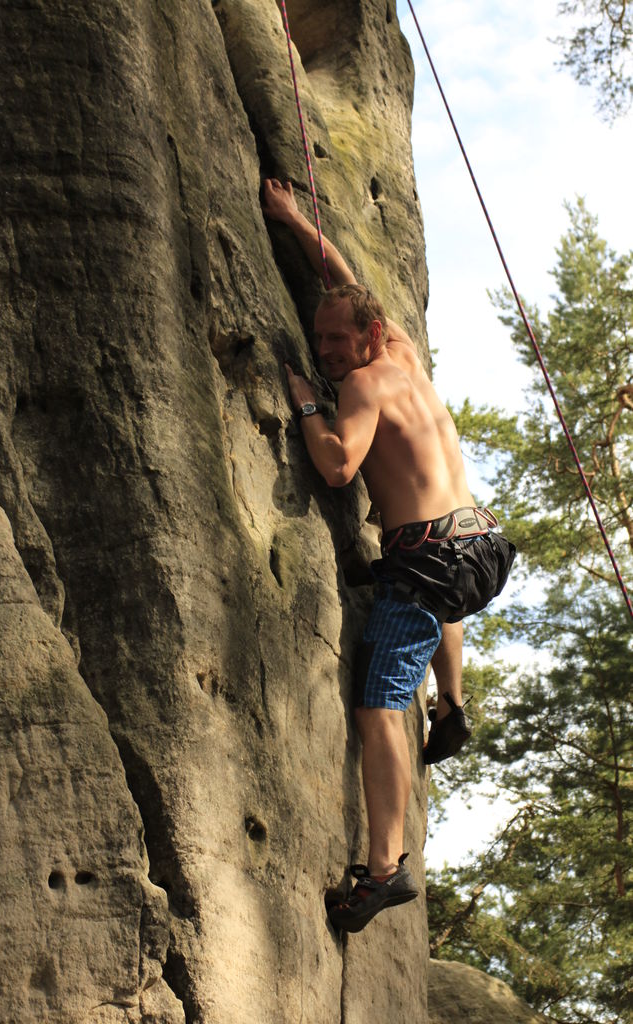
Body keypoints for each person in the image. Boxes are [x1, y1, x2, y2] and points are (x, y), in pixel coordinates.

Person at [261, 178, 515, 933]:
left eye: (338, 340)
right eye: (321, 340)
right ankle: (454, 703)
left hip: (427, 562)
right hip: (477, 545)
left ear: (368, 340)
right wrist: (294, 220)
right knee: (436, 596)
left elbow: (339, 466)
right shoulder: (399, 350)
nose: (327, 349)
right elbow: (342, 276)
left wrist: (308, 399)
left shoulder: (363, 383)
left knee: (377, 706)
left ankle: (382, 871)